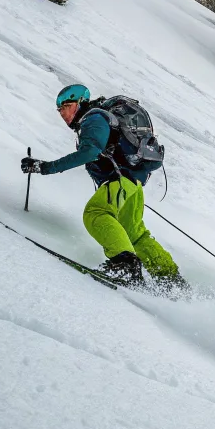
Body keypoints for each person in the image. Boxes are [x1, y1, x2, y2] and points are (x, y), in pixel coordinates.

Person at [21, 84, 186, 293]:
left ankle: (125, 266)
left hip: (121, 179)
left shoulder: (94, 117)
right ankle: (171, 281)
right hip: (133, 182)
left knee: (96, 213)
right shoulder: (101, 118)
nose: (62, 113)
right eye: (59, 109)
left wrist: (45, 167)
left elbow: (89, 152)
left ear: (80, 103)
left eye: (67, 106)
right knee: (134, 233)